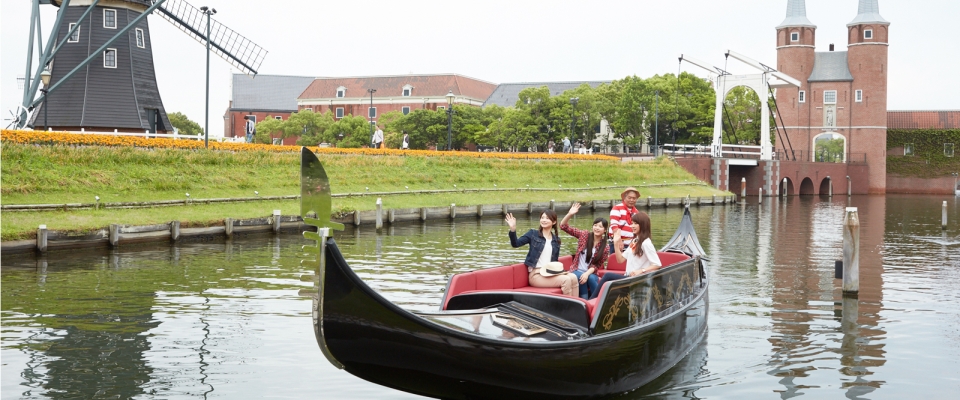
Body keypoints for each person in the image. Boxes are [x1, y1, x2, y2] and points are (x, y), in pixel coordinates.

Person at [506, 210, 578, 297]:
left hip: (550, 273)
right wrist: (512, 229)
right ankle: (570, 307)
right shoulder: (533, 234)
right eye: (542, 218)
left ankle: (577, 304)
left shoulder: (556, 240)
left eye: (547, 218)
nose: (544, 220)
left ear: (554, 222)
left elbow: (554, 261)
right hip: (536, 275)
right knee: (566, 280)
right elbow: (515, 244)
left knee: (573, 277)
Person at [590, 212, 661, 299]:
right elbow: (620, 260)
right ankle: (594, 301)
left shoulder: (646, 243)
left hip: (637, 280)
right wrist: (616, 243)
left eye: (635, 223)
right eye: (632, 223)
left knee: (608, 276)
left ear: (643, 225)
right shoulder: (635, 241)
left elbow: (657, 264)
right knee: (608, 278)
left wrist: (641, 271)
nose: (632, 226)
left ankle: (591, 300)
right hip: (628, 277)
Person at [559, 202, 608, 299]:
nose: (597, 228)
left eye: (600, 227)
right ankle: (585, 300)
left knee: (589, 278)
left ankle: (597, 299)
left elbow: (596, 265)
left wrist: (586, 273)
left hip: (590, 273)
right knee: (581, 277)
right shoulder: (584, 235)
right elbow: (563, 226)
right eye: (595, 225)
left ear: (605, 230)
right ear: (592, 226)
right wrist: (570, 214)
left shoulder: (605, 247)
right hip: (576, 270)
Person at [609, 187, 640, 254]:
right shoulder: (617, 208)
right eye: (629, 198)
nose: (631, 200)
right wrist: (619, 240)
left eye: (634, 198)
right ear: (624, 198)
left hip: (631, 244)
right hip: (618, 242)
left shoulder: (636, 212)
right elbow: (614, 225)